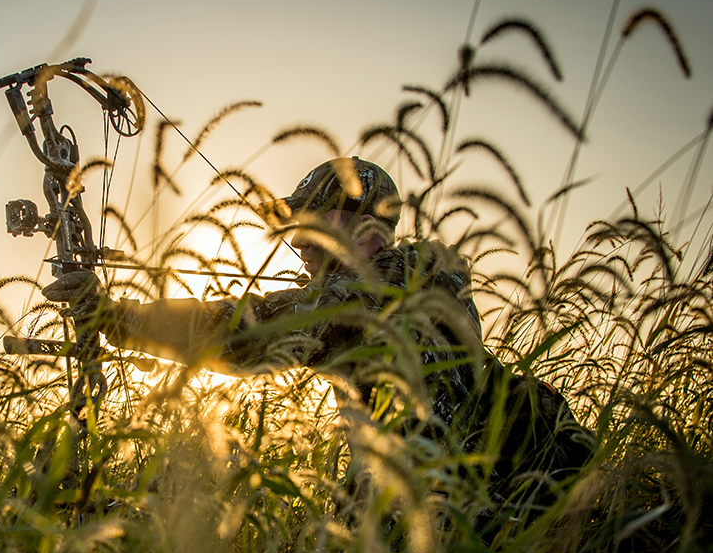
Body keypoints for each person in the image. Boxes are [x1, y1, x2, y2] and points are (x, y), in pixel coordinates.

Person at [43, 157, 592, 509]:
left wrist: (114, 318)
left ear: (362, 219)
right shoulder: (422, 281)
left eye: (311, 223)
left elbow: (246, 332)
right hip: (469, 513)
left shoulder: (367, 298)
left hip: (444, 530)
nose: (296, 243)